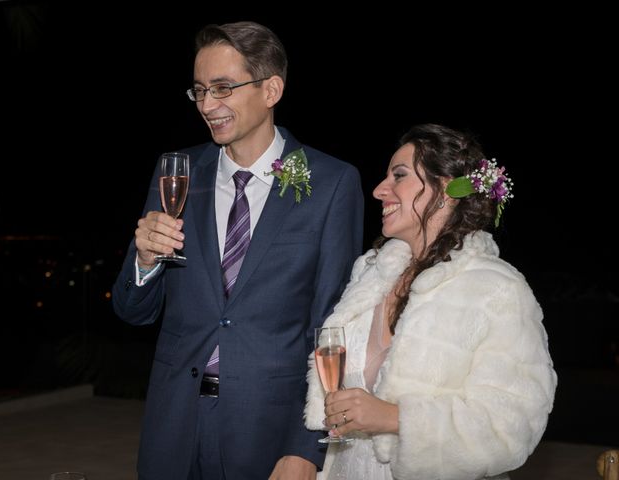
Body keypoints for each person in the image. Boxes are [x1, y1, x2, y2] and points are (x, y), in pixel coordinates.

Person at [112, 21, 364, 480]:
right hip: (173, 424)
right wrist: (143, 261)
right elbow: (134, 312)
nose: (208, 105)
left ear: (271, 89)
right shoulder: (177, 175)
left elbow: (331, 326)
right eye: (199, 91)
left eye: (223, 88)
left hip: (267, 428)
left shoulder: (332, 183)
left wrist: (306, 448)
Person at [304, 123, 557, 480]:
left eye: (400, 176)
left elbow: (513, 425)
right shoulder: (371, 274)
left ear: (446, 190)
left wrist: (395, 418)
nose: (379, 190)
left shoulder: (497, 290)